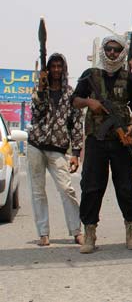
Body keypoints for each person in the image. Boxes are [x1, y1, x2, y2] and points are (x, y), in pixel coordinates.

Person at [72, 35, 132, 254]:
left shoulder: (129, 78)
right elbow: (74, 100)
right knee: (92, 187)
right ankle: (90, 234)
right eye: (109, 49)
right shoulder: (89, 76)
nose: (112, 53)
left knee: (126, 187)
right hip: (96, 139)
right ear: (104, 51)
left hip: (121, 141)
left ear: (122, 53)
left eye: (117, 50)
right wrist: (89, 102)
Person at [27, 53, 84, 247]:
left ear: (64, 68)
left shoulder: (70, 94)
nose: (57, 70)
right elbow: (37, 110)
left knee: (67, 189)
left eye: (60, 66)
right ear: (48, 69)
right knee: (38, 192)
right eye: (53, 66)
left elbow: (76, 123)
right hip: (36, 145)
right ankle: (43, 233)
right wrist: (42, 89)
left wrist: (76, 153)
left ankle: (76, 231)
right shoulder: (38, 90)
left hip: (58, 149)